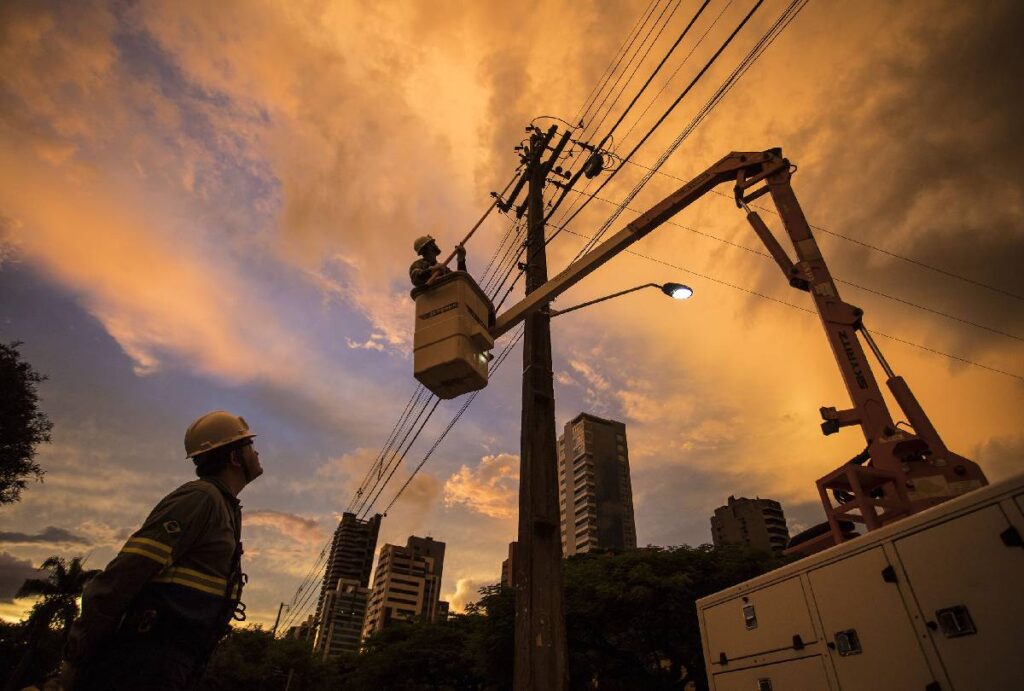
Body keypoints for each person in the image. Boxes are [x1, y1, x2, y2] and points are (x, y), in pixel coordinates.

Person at [63, 411, 263, 690]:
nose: (257, 453)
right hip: (146, 658)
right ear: (234, 458)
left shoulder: (223, 506)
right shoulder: (200, 499)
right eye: (250, 446)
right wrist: (79, 653)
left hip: (175, 659)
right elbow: (126, 573)